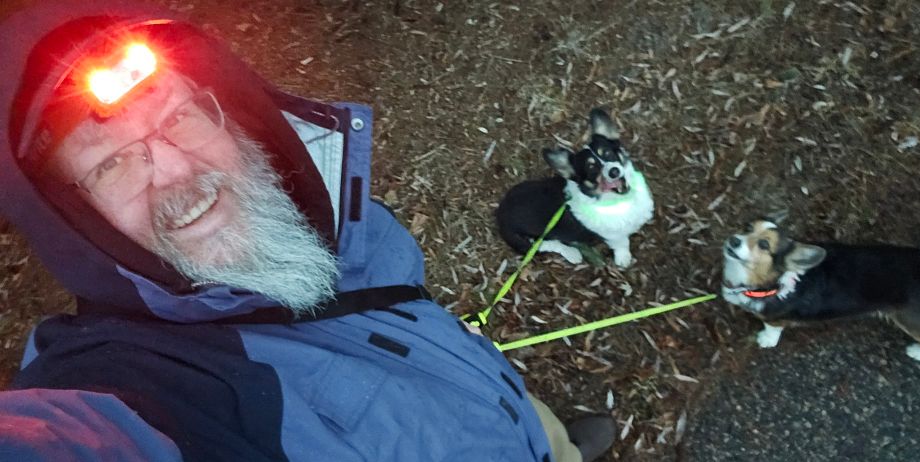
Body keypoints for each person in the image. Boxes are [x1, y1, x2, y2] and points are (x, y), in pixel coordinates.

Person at [0, 1, 617, 461]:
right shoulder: (137, 395)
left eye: (180, 115)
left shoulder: (311, 211)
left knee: (540, 433)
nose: (179, 171)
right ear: (68, 224)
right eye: (111, 162)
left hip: (481, 396)